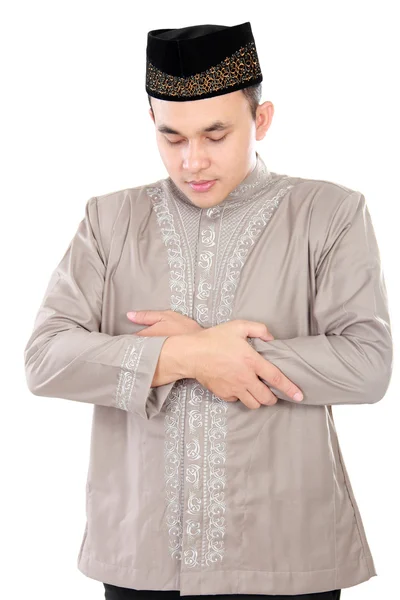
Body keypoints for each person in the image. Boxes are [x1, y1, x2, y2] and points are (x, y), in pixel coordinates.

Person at [23, 21, 392, 600]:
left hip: (289, 552)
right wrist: (186, 354)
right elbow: (45, 359)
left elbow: (367, 365)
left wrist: (222, 356)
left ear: (261, 120)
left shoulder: (330, 214)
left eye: (215, 134)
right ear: (152, 123)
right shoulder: (109, 221)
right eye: (172, 137)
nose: (193, 160)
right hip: (140, 556)